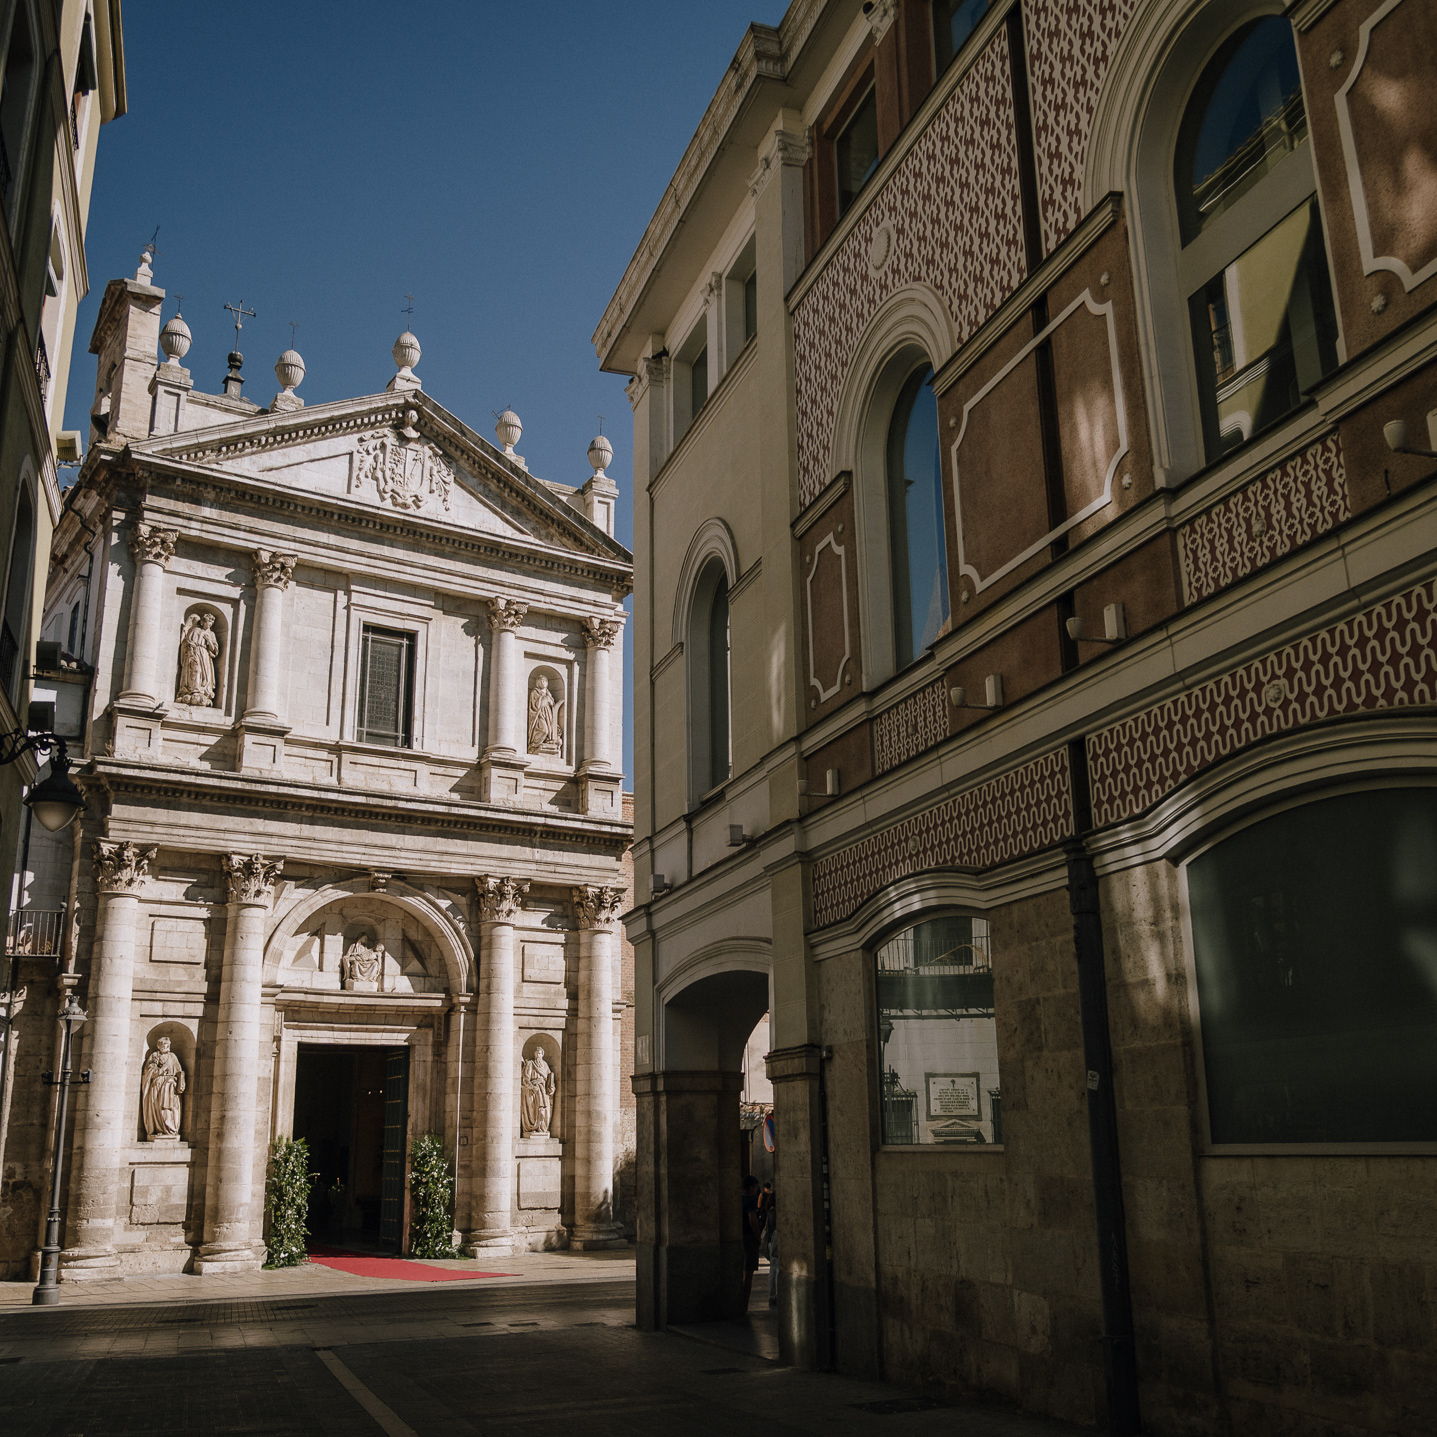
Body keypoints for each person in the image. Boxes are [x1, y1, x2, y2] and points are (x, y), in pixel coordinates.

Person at [740, 1174, 762, 1312]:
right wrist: (758, 1237)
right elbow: (752, 1220)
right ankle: (744, 1306)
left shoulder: (738, 1198)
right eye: (755, 1186)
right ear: (751, 1187)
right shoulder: (751, 1200)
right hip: (749, 1237)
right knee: (748, 1274)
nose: (757, 1189)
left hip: (740, 1237)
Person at [759, 1181, 778, 1306]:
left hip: (771, 1241)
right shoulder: (775, 1213)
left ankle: (772, 1295)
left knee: (772, 1270)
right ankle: (778, 1294)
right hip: (776, 1242)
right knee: (777, 1269)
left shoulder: (770, 1212)